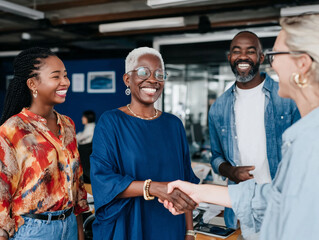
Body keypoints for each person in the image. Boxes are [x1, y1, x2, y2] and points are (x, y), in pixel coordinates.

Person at [165, 13, 319, 240]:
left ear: (303, 64)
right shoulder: (220, 106)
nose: (272, 63)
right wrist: (198, 191)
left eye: (275, 55)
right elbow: (275, 197)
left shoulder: (310, 141)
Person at [90, 47, 199, 240]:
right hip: (130, 225)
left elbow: (186, 182)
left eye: (159, 74)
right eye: (143, 72)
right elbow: (103, 180)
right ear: (127, 79)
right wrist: (152, 187)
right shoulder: (111, 122)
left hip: (170, 225)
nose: (152, 80)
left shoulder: (174, 125)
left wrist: (189, 230)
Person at [208, 30, 300, 232]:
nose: (242, 56)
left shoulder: (286, 97)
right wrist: (230, 171)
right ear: (229, 57)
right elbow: (216, 157)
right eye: (236, 51)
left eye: (250, 51)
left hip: (283, 207)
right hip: (243, 210)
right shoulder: (218, 107)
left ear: (261, 57)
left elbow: (304, 154)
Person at [0, 47, 89, 240]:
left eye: (65, 75)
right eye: (56, 76)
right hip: (33, 230)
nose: (65, 82)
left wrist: (80, 231)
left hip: (70, 225)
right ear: (32, 83)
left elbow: (77, 185)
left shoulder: (67, 124)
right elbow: (2, 195)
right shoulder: (13, 129)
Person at [77, 110, 96, 183]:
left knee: (86, 170)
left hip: (85, 153)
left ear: (88, 118)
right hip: (85, 153)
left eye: (83, 117)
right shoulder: (89, 127)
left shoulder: (90, 129)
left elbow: (80, 137)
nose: (82, 118)